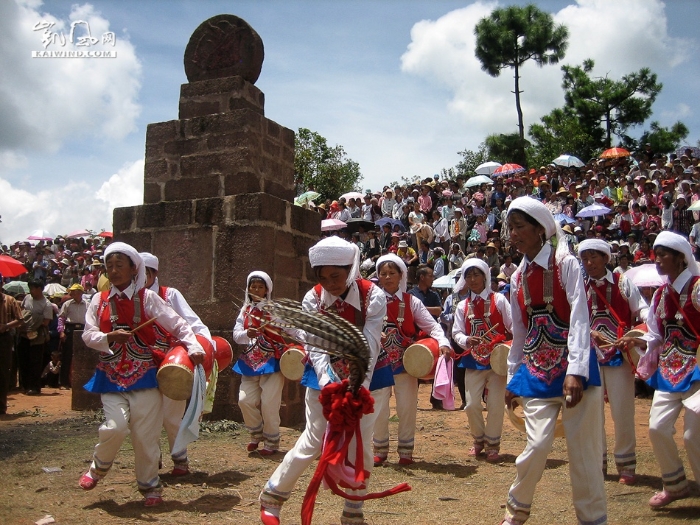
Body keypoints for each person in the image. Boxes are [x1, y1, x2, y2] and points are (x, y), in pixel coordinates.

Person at [259, 236, 385, 525]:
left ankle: (354, 509)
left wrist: (355, 390)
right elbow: (315, 345)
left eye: (336, 276)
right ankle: (272, 497)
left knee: (362, 441)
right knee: (315, 439)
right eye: (323, 277)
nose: (330, 283)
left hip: (365, 379)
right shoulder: (312, 298)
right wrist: (329, 383)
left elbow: (369, 345)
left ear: (351, 269)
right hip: (322, 380)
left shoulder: (373, 296)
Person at [501, 197, 606, 525]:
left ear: (539, 230)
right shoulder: (516, 279)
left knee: (584, 451)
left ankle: (593, 519)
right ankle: (516, 510)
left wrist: (576, 370)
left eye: (519, 228)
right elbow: (520, 332)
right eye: (511, 228)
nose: (513, 234)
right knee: (537, 445)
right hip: (534, 370)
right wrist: (511, 378)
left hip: (575, 368)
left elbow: (579, 317)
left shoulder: (567, 265)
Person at [79, 243, 205, 506]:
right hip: (110, 376)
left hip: (146, 375)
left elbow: (178, 323)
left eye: (119, 265)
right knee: (115, 427)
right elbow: (88, 335)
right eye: (109, 266)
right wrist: (108, 336)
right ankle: (97, 468)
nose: (113, 271)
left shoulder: (148, 298)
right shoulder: (98, 301)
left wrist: (193, 346)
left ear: (133, 268)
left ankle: (150, 486)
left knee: (145, 434)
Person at [624, 232, 700, 508]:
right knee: (656, 427)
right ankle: (675, 484)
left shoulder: (697, 289)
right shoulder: (660, 295)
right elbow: (656, 335)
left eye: (664, 255)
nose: (658, 260)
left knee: (694, 436)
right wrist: (636, 339)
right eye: (656, 255)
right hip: (669, 371)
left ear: (681, 258)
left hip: (697, 371)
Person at [578, 239, 648, 485]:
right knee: (592, 413)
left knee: (623, 410)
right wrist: (588, 332)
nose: (589, 263)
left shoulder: (623, 283)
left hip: (619, 355)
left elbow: (643, 310)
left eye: (594, 257)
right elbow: (571, 320)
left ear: (606, 258)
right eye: (585, 259)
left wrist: (636, 333)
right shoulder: (579, 287)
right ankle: (598, 463)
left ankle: (626, 465)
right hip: (590, 358)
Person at [139, 252, 213, 476]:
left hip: (172, 362)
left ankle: (180, 458)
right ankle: (151, 460)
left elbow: (192, 323)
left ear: (153, 273)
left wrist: (204, 348)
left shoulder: (169, 295)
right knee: (145, 416)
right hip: (141, 365)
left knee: (172, 416)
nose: (141, 278)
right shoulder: (128, 299)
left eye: (145, 273)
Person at [372, 254, 450, 466]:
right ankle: (379, 449)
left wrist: (443, 342)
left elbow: (432, 326)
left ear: (401, 276)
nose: (387, 277)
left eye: (392, 273)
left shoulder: (411, 302)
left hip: (405, 364)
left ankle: (405, 451)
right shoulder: (371, 301)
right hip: (378, 363)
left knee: (406, 407)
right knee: (379, 407)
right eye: (383, 273)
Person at [452, 258, 512, 462]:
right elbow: (456, 332)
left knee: (495, 404)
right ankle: (479, 439)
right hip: (473, 359)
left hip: (497, 361)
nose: (472, 279)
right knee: (471, 404)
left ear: (485, 277)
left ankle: (493, 444)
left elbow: (513, 327)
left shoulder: (500, 300)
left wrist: (507, 349)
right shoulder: (463, 305)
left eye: (476, 274)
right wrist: (468, 339)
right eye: (468, 275)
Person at [233, 271, 286, 456]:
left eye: (260, 287)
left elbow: (290, 329)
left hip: (273, 361)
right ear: (248, 289)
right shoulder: (245, 310)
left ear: (266, 290)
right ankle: (256, 432)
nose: (256, 290)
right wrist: (247, 334)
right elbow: (236, 334)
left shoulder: (274, 309)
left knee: (269, 403)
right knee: (244, 400)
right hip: (250, 361)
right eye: (253, 286)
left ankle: (271, 441)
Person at [18, 280, 53, 395]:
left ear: (39, 289)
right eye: (30, 288)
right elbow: (22, 312)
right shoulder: (27, 298)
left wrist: (34, 323)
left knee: (35, 361)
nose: (31, 291)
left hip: (37, 335)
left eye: (33, 288)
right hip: (24, 333)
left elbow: (46, 322)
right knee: (23, 360)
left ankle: (34, 387)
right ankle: (24, 385)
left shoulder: (46, 304)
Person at [57, 283, 89, 389]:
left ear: (80, 293)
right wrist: (61, 331)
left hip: (83, 329)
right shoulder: (67, 304)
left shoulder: (87, 304)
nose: (72, 293)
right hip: (70, 329)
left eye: (74, 291)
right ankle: (64, 382)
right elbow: (61, 318)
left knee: (83, 356)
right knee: (67, 356)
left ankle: (82, 381)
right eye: (72, 291)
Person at [0, 288, 24, 414]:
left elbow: (20, 319)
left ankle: (1, 405)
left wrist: (6, 326)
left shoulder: (10, 300)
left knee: (3, 372)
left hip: (4, 338)